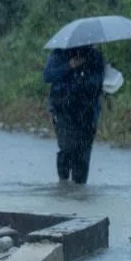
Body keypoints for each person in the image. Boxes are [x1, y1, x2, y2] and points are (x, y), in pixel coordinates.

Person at [42, 44, 105, 184]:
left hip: (88, 111)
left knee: (83, 153)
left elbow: (98, 82)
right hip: (63, 109)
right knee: (67, 148)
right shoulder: (59, 54)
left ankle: (79, 188)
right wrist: (69, 66)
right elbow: (47, 76)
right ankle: (63, 183)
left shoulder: (96, 57)